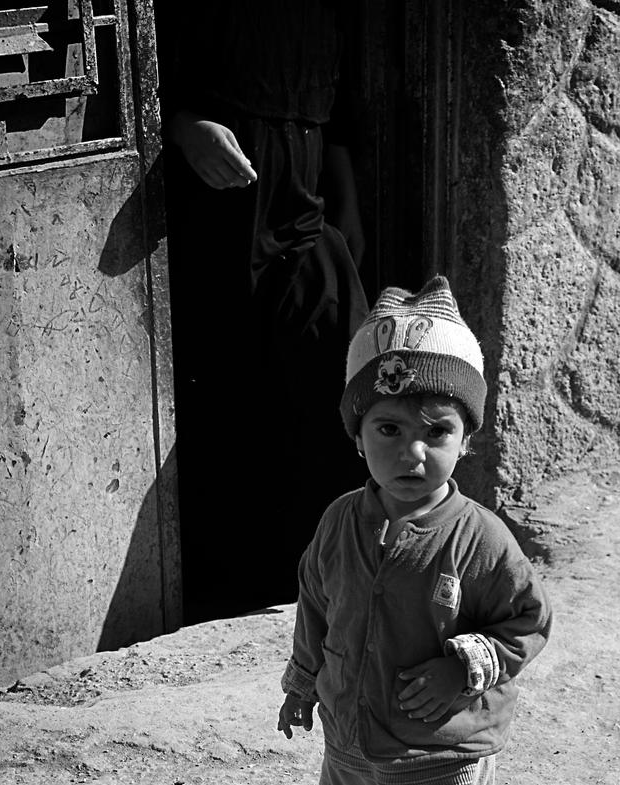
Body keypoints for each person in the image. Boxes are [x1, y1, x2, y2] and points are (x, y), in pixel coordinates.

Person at [264, 276, 553, 785]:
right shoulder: (337, 524)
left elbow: (527, 620)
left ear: (468, 436)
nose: (412, 452)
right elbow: (316, 607)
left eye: (438, 430)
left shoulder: (481, 538)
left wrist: (465, 664)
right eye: (388, 428)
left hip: (445, 760)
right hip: (353, 746)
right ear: (357, 431)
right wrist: (302, 683)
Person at [155, 2, 369, 620]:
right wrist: (183, 126)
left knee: (343, 369)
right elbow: (141, 76)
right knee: (226, 396)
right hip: (214, 220)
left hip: (306, 217)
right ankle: (233, 589)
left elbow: (338, 114)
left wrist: (347, 206)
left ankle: (338, 569)